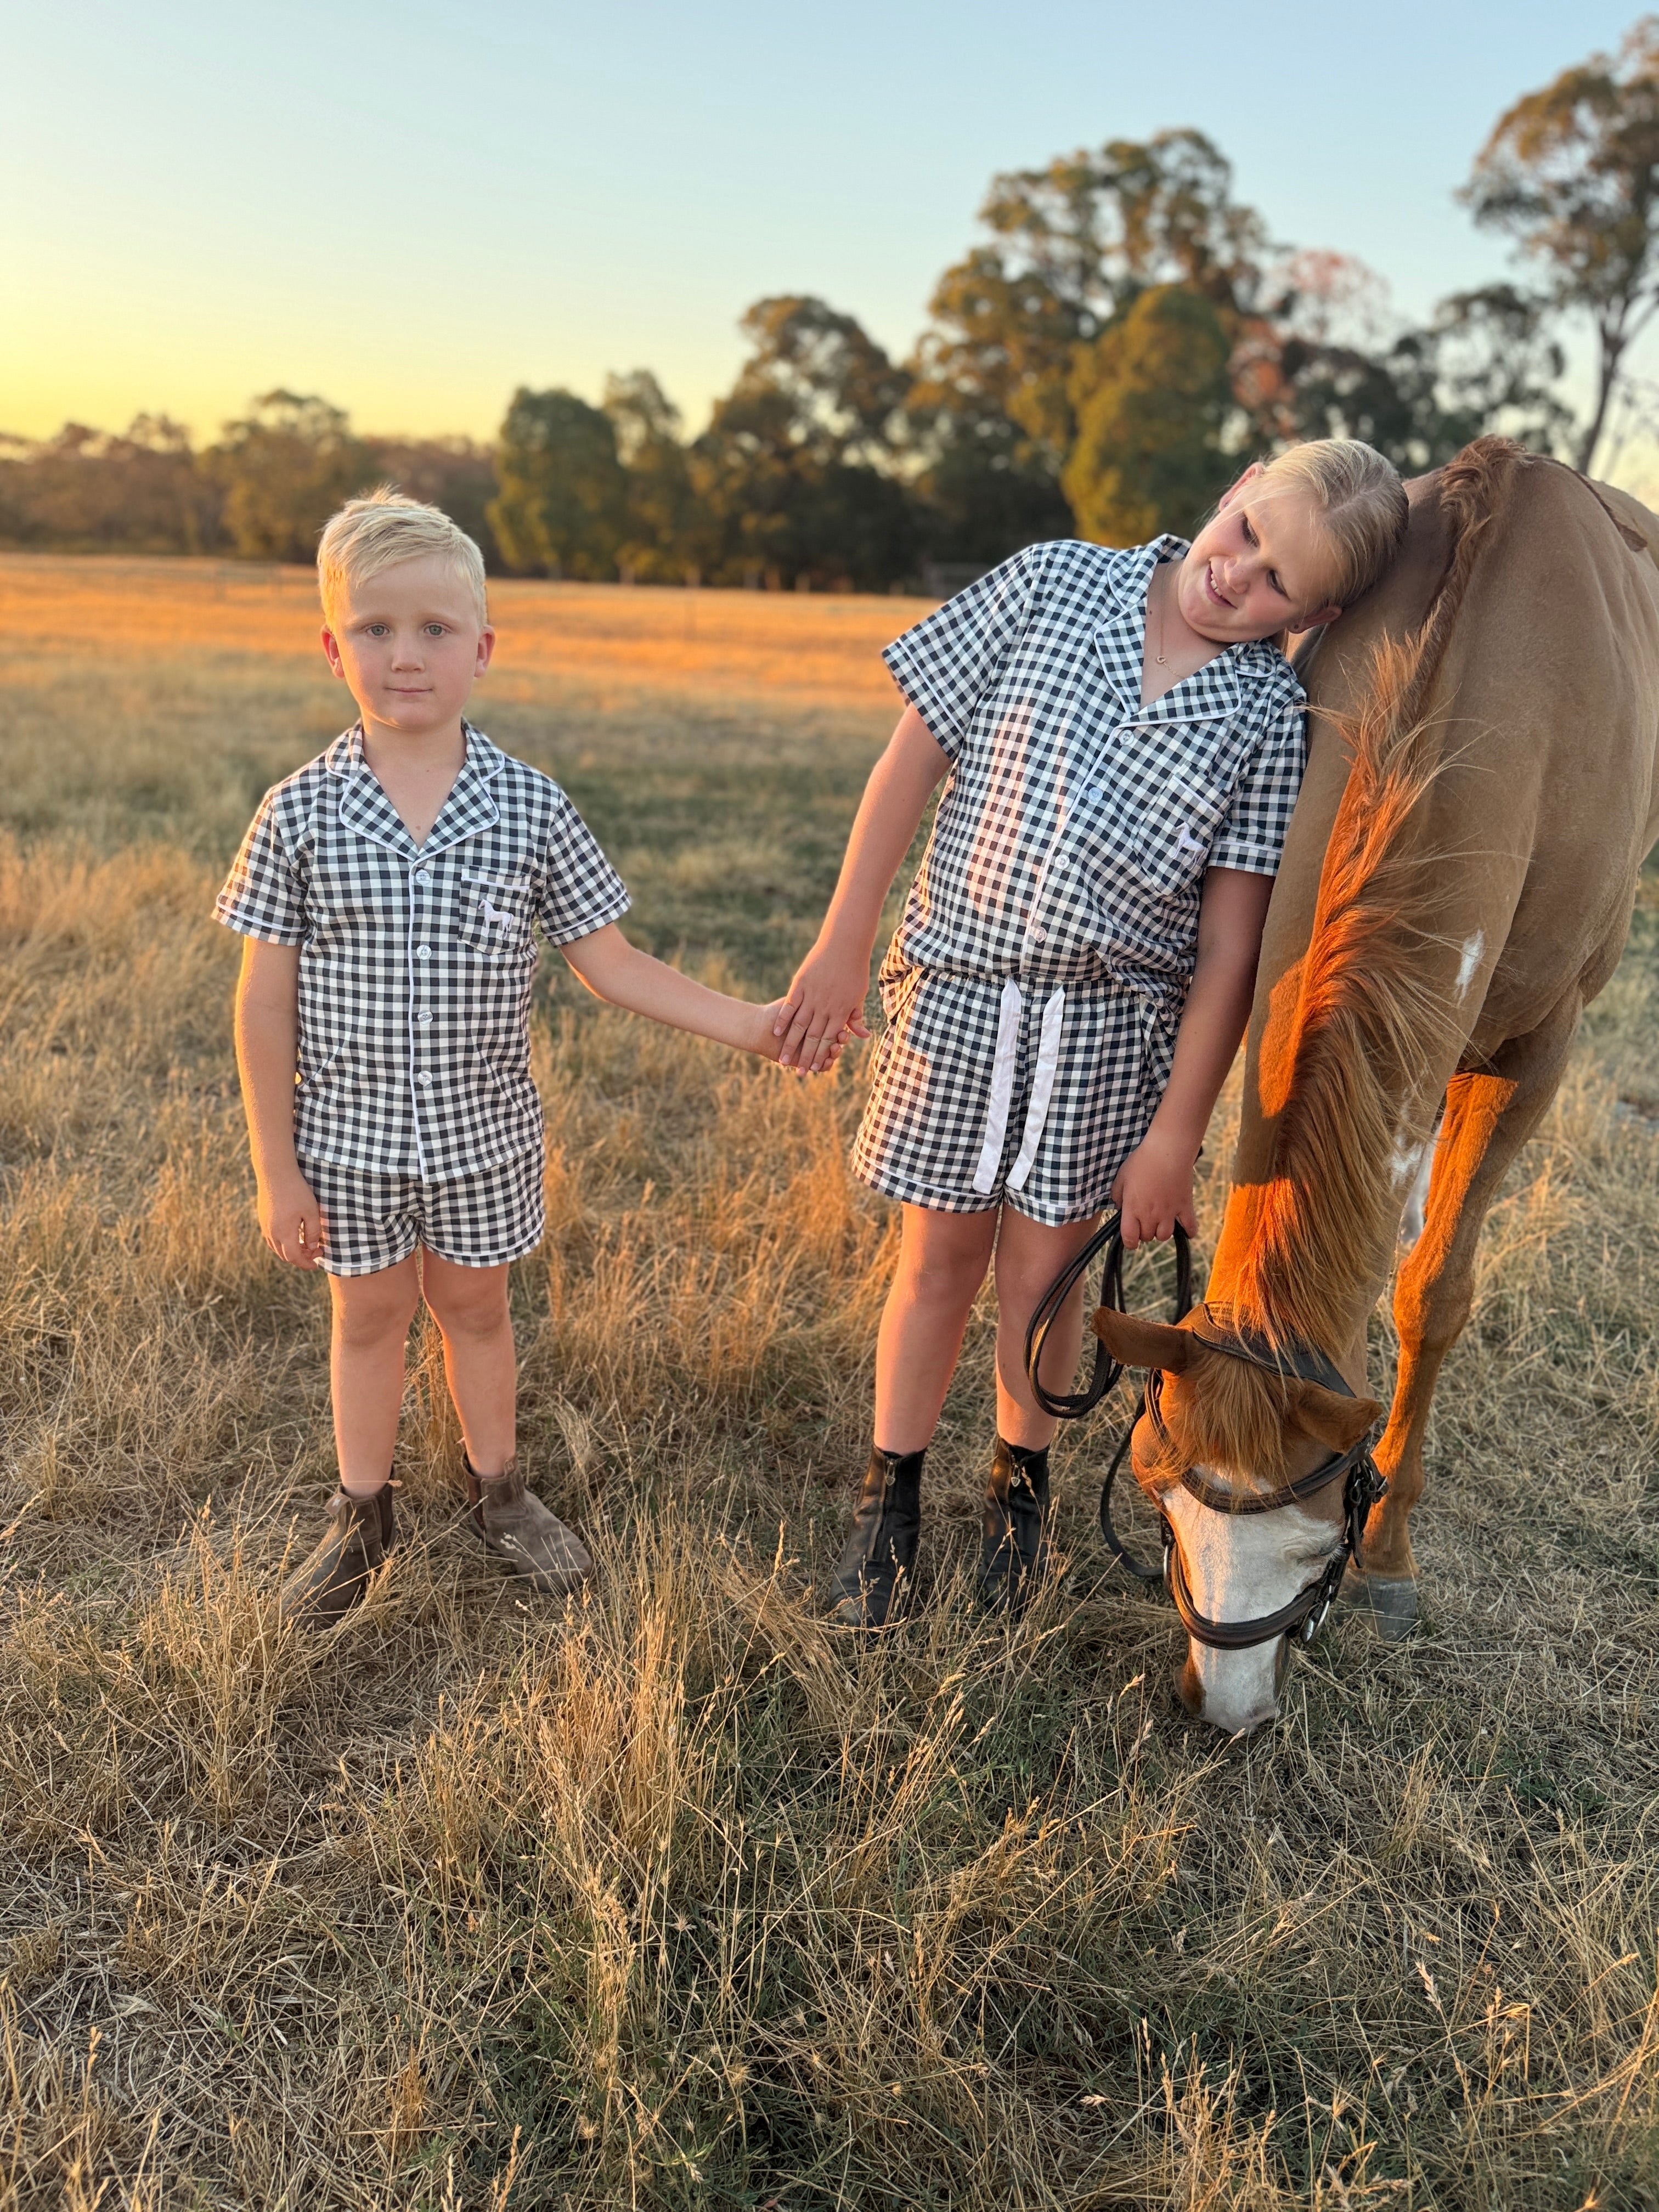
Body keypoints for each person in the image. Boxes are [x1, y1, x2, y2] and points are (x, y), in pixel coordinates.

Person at [773, 441, 1409, 1628]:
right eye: (1245, 534)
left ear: (1315, 614)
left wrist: (1177, 1133)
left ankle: (1020, 1490)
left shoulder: (1267, 716)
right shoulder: (1054, 580)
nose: (1238, 576)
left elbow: (1228, 950)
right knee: (937, 1262)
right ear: (1235, 489)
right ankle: (889, 1498)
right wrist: (842, 937)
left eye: (1277, 582)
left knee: (1044, 1278)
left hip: (1112, 1029)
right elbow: (912, 759)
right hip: (962, 989)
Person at [219, 490, 803, 1626]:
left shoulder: (529, 807)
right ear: (331, 646)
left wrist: (749, 1021)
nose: (405, 656)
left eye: (436, 630)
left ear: (482, 650)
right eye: (377, 629)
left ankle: (500, 1491)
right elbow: (263, 1002)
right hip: (348, 1141)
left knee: (478, 1311)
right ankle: (362, 1514)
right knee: (370, 1317)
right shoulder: (298, 813)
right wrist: (275, 1169)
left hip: (485, 1137)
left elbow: (613, 963)